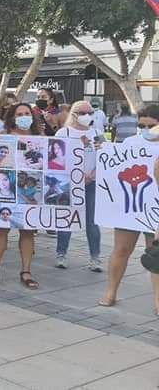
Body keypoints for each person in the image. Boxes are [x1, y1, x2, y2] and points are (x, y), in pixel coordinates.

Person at [99, 105, 159, 311]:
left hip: (156, 212)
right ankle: (111, 291)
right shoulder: (130, 142)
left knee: (155, 254)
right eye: (141, 125)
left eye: (151, 126)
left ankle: (158, 300)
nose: (146, 129)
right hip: (129, 209)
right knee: (121, 249)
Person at [0, 103, 41, 289]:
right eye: (20, 114)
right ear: (12, 118)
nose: (24, 116)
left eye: (27, 113)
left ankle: (26, 270)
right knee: (0, 228)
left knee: (28, 230)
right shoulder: (3, 137)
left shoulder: (40, 139)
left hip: (27, 189)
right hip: (5, 187)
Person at [54, 100, 102, 272]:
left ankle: (95, 257)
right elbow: (56, 158)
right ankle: (61, 253)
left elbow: (104, 156)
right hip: (70, 183)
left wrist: (94, 174)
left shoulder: (97, 132)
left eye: (89, 112)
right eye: (82, 112)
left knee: (92, 221)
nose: (86, 116)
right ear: (74, 114)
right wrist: (77, 175)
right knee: (67, 218)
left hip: (92, 183)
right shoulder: (63, 132)